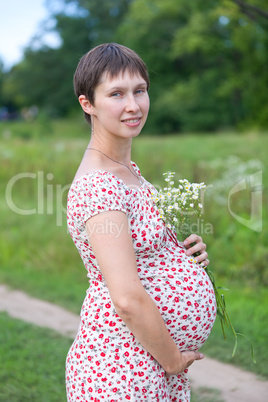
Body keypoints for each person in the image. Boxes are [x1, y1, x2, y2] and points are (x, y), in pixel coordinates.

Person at [66, 43, 216, 402]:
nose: (133, 105)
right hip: (121, 371)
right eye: (116, 94)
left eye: (140, 90)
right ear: (88, 104)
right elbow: (128, 298)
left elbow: (140, 253)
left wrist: (179, 252)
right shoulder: (98, 186)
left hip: (146, 366)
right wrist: (173, 360)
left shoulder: (126, 172)